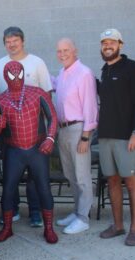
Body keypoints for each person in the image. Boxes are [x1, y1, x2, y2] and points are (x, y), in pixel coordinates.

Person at [0, 26, 53, 227]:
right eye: (8, 41)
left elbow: (48, 98)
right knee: (10, 181)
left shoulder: (37, 63)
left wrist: (49, 136)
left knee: (38, 180)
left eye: (15, 40)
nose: (12, 44)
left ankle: (35, 212)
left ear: (22, 41)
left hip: (36, 135)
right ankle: (12, 212)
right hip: (10, 137)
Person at [97, 29, 135, 246]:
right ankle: (118, 226)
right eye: (104, 42)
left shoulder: (132, 68)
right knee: (112, 180)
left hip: (127, 138)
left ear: (120, 44)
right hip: (106, 136)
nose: (108, 45)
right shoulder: (104, 71)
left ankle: (134, 230)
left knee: (132, 182)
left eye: (112, 42)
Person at [53, 38, 98, 234]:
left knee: (82, 176)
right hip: (63, 130)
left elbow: (90, 105)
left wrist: (86, 137)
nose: (62, 54)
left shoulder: (84, 73)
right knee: (70, 175)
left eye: (66, 50)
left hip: (78, 130)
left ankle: (83, 218)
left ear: (75, 50)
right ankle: (76, 210)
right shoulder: (62, 73)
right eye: (59, 51)